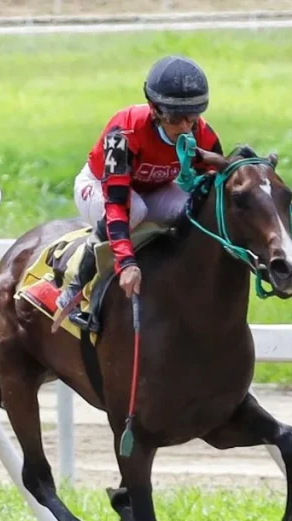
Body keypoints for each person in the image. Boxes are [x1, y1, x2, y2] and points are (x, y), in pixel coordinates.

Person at [57, 55, 224, 321]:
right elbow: (117, 202)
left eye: (192, 117)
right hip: (100, 186)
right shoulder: (123, 132)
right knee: (134, 209)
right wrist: (127, 262)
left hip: (152, 189)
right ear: (154, 109)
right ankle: (76, 285)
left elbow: (213, 187)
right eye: (175, 118)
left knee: (195, 208)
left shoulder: (202, 133)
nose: (185, 128)